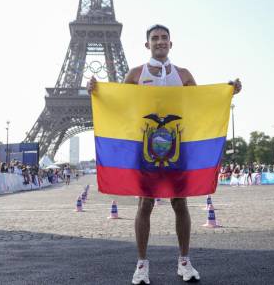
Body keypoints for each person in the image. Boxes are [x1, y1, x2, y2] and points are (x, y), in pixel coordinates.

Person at [88, 24, 241, 284]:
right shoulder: (136, 73)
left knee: (179, 202)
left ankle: (184, 261)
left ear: (171, 43)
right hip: (146, 148)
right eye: (155, 38)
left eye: (164, 38)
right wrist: (98, 90)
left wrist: (227, 92)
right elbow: (120, 103)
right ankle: (142, 265)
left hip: (176, 147)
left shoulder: (183, 75)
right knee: (144, 203)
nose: (160, 42)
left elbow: (201, 104)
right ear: (147, 45)